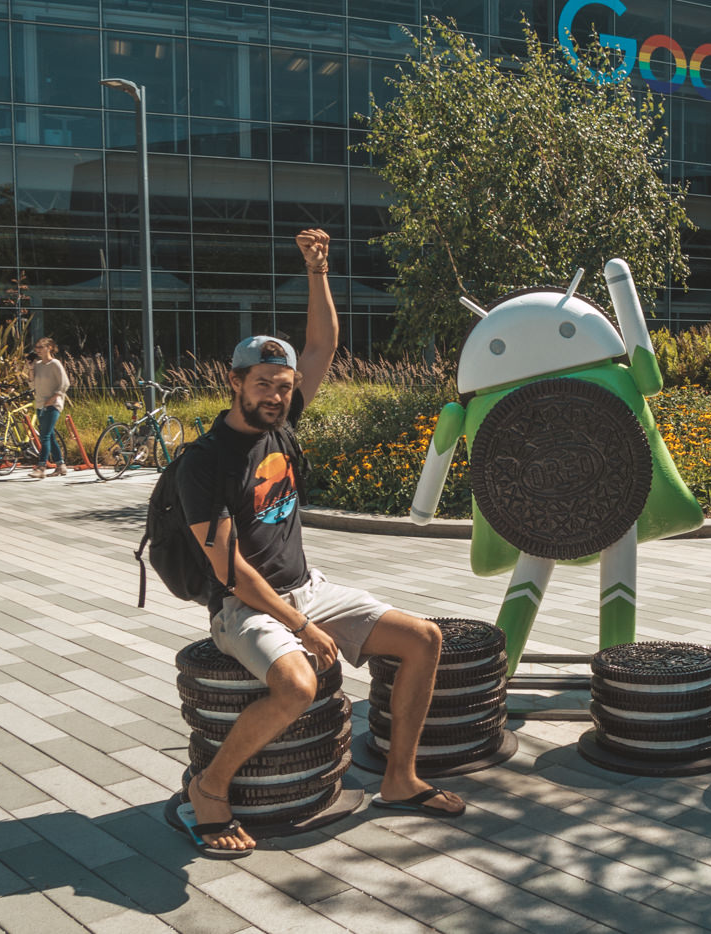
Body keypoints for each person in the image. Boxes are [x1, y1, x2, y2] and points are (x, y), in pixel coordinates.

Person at [177, 228, 463, 859]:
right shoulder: (204, 462)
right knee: (299, 686)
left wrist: (317, 270)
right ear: (235, 382)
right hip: (245, 608)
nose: (277, 395)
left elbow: (322, 345)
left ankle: (400, 779)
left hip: (308, 589)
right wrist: (301, 627)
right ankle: (210, 790)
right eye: (263, 384)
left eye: (283, 385)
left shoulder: (280, 424)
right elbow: (230, 571)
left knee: (424, 639)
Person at [30, 337, 70, 479]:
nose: (38, 350)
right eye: (37, 348)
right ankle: (61, 466)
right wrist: (30, 369)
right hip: (40, 404)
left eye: (41, 347)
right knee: (50, 436)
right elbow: (32, 385)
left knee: (45, 436)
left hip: (53, 405)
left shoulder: (55, 364)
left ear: (49, 348)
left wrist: (54, 398)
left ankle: (41, 467)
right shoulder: (38, 365)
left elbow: (65, 383)